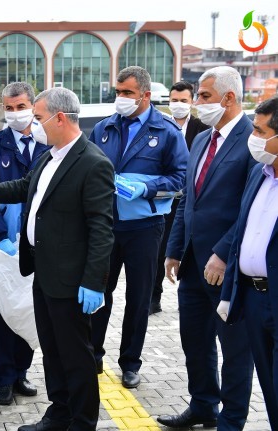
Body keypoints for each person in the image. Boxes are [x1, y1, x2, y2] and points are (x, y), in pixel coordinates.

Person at [0, 87, 115, 431]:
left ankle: (82, 422)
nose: (33, 125)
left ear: (60, 118)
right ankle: (60, 411)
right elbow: (19, 187)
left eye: (38, 117)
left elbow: (102, 229)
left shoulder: (93, 163)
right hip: (43, 274)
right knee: (52, 350)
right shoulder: (49, 157)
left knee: (77, 356)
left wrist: (95, 282)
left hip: (72, 281)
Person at [160, 66, 256, 430]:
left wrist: (222, 251)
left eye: (203, 97)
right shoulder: (201, 139)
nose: (197, 104)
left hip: (228, 267)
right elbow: (189, 200)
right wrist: (173, 249)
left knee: (234, 350)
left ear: (229, 98)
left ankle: (232, 419)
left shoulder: (253, 141)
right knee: (195, 341)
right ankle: (203, 405)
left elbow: (249, 208)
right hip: (193, 264)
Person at [89, 66, 189, 389]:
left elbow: (180, 179)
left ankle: (130, 362)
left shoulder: (167, 132)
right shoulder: (104, 128)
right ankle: (92, 354)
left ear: (145, 95)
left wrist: (146, 187)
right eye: (118, 92)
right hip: (106, 224)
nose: (121, 99)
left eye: (128, 93)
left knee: (138, 296)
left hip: (145, 227)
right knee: (99, 292)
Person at [0, 81, 47, 405]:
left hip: (39, 247)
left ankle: (21, 372)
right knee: (0, 313)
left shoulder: (48, 146)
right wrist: (1, 238)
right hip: (1, 249)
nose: (15, 114)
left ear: (33, 107)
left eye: (21, 107)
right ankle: (3, 378)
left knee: (30, 312)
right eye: (9, 108)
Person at [219, 96, 278, 430]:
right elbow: (243, 234)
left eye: (260, 130)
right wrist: (230, 294)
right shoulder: (259, 173)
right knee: (268, 387)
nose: (252, 137)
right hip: (254, 299)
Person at [150, 81, 210, 314]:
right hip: (164, 198)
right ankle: (154, 297)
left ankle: (192, 294)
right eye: (174, 101)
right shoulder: (162, 126)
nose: (178, 105)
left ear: (192, 101)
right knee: (159, 250)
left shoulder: (202, 128)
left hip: (190, 199)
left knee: (188, 248)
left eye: (183, 101)